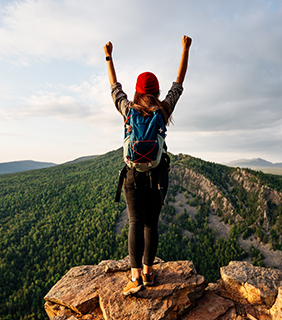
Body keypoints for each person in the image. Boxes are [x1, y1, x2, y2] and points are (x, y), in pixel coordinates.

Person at [104, 35, 192, 296]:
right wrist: (185, 49)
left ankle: (134, 278)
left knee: (135, 223)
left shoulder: (127, 109)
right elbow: (179, 83)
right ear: (155, 91)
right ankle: (149, 272)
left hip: (132, 175)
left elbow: (114, 86)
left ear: (138, 91)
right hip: (157, 176)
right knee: (151, 224)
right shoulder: (163, 110)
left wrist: (108, 56)